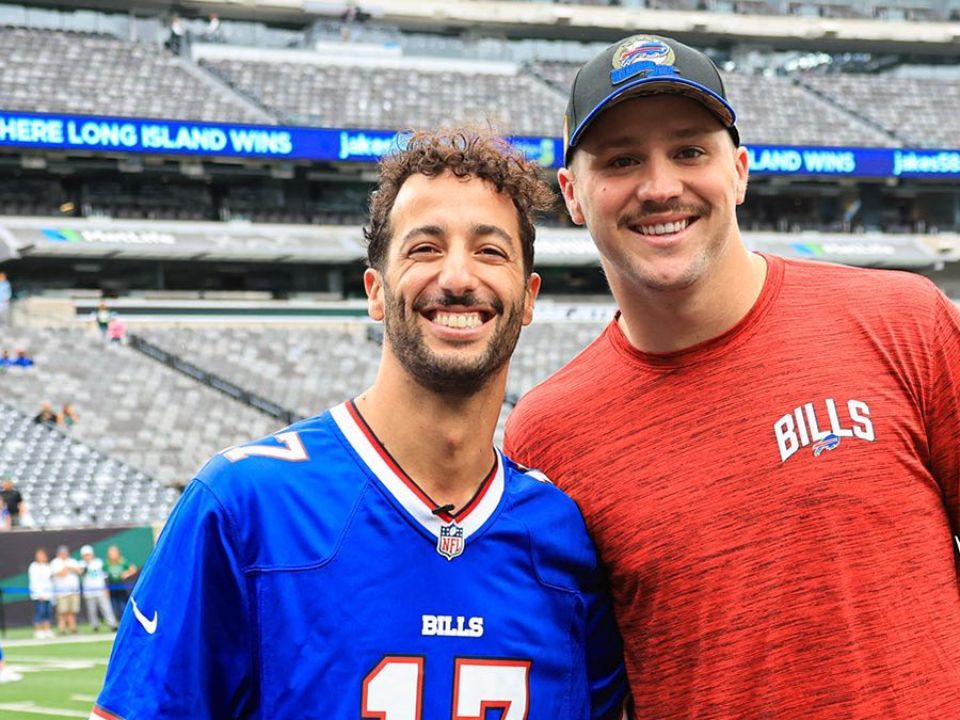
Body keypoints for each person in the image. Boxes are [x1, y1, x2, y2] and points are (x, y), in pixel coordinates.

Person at [504, 34, 960, 718]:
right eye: (622, 160)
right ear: (572, 193)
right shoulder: (548, 435)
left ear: (739, 171)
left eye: (689, 151)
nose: (660, 187)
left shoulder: (906, 322)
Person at [93, 128, 629, 720]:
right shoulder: (245, 505)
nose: (457, 277)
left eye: (490, 251)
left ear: (528, 298)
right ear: (375, 290)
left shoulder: (562, 535)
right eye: (424, 248)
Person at [79, 545, 118, 632]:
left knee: (106, 608)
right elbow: (81, 573)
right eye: (85, 555)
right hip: (88, 591)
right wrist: (86, 565)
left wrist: (106, 588)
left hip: (100, 589)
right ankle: (95, 625)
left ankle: (112, 624)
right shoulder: (81, 564)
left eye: (88, 554)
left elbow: (105, 576)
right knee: (91, 610)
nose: (87, 556)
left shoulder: (99, 562)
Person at [50, 545, 82, 635]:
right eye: (62, 553)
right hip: (61, 592)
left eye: (65, 553)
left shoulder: (72, 561)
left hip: (73, 591)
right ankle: (62, 629)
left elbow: (79, 571)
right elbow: (60, 574)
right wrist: (68, 569)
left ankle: (73, 628)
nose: (64, 554)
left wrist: (69, 568)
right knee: (62, 611)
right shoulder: (55, 562)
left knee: (72, 611)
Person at [104, 545, 139, 623]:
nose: (112, 555)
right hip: (112, 588)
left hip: (122, 588)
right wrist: (106, 588)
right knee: (115, 606)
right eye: (111, 553)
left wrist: (127, 573)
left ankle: (126, 621)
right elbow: (104, 575)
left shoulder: (123, 561)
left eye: (114, 553)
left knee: (124, 605)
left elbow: (133, 568)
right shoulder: (107, 564)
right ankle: (119, 621)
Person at [28, 548, 55, 640]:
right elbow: (34, 581)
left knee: (48, 612)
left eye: (43, 555)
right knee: (40, 612)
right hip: (38, 595)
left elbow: (50, 580)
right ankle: (38, 631)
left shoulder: (48, 566)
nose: (41, 557)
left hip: (48, 594)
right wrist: (38, 593)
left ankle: (47, 630)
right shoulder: (33, 566)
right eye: (39, 555)